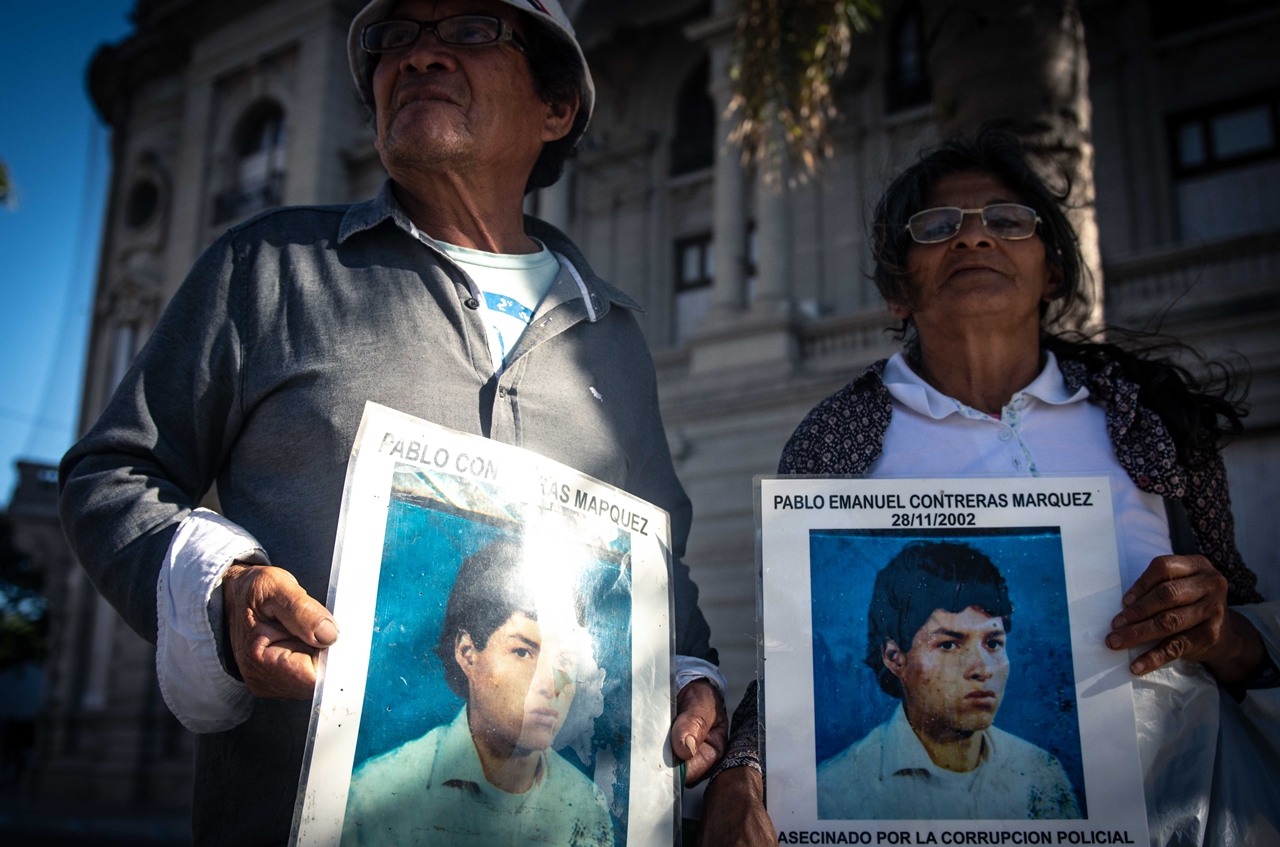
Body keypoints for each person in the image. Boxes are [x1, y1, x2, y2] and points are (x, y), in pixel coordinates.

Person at [58, 2, 727, 843]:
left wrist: (691, 678)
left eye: (470, 30)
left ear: (557, 108)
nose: (418, 57)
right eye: (393, 38)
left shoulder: (615, 334)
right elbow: (112, 474)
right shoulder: (266, 268)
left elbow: (663, 567)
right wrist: (221, 587)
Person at [698, 129, 1280, 847]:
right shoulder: (837, 439)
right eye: (938, 226)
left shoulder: (1148, 424)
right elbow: (784, 667)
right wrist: (739, 773)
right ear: (896, 287)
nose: (974, 240)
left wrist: (1223, 633)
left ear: (1054, 270)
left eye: (1007, 221)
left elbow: (1251, 635)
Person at [343, 538, 613, 846]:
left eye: (564, 659)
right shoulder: (373, 798)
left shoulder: (588, 810)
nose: (551, 683)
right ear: (467, 652)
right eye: (523, 653)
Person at [816, 541, 1080, 821]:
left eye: (993, 643)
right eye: (949, 645)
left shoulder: (1040, 774)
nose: (982, 670)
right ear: (895, 658)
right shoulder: (836, 793)